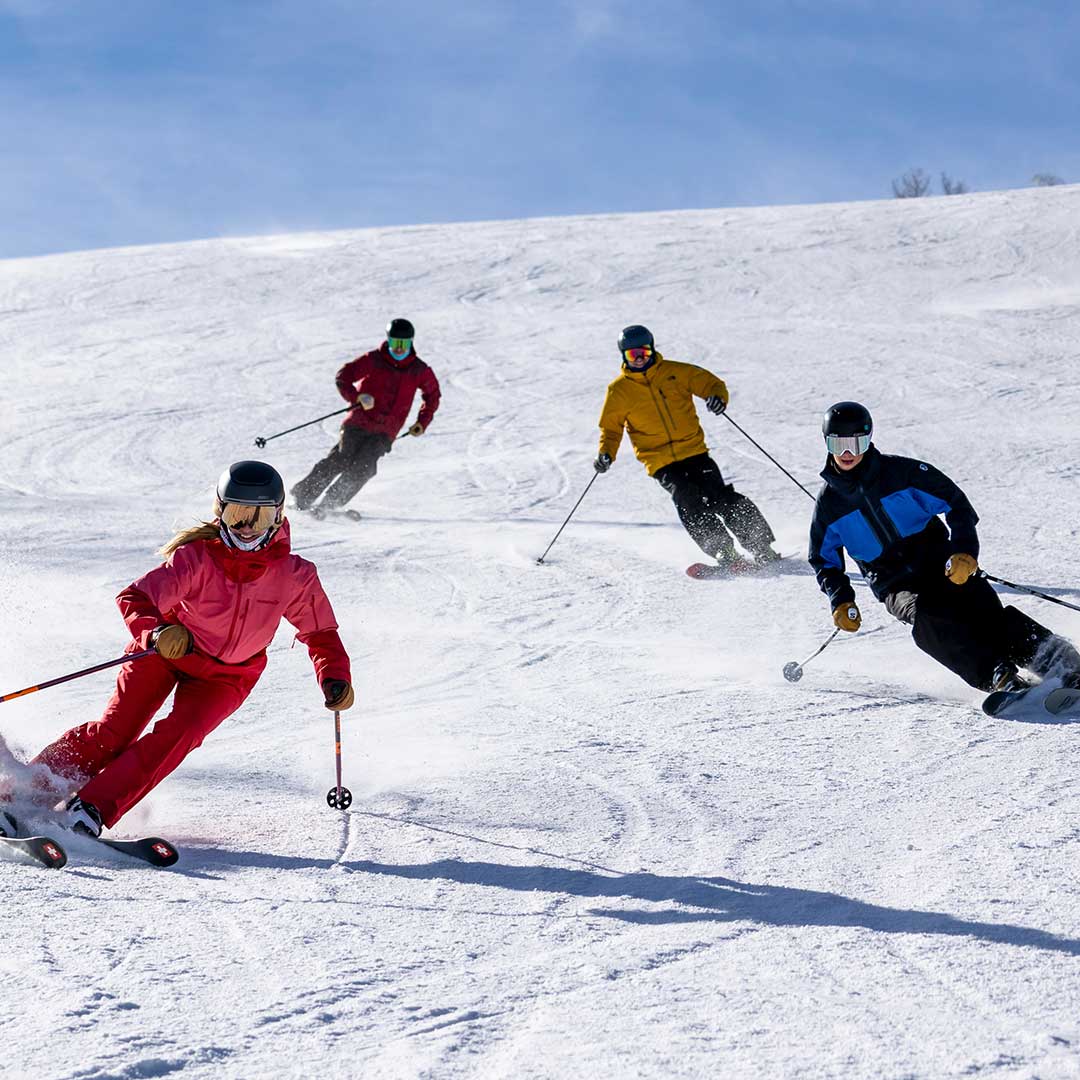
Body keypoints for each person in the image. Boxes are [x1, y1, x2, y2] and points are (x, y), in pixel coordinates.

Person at [31, 461, 354, 836]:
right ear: (220, 513)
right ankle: (26, 792)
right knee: (115, 733)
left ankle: (91, 808)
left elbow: (321, 634)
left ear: (278, 516)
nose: (248, 528)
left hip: (228, 677)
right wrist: (156, 633)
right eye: (237, 515)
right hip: (168, 652)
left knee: (177, 738)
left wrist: (335, 676)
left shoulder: (295, 575)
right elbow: (135, 597)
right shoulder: (196, 558)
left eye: (260, 516)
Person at [808, 401, 1080, 695]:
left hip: (940, 561)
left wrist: (964, 552)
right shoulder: (829, 505)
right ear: (827, 442)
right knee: (927, 619)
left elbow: (956, 504)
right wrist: (841, 600)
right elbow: (823, 560)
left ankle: (1059, 661)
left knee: (983, 611)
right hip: (894, 583)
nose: (847, 453)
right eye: (838, 443)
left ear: (869, 439)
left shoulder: (903, 473)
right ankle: (997, 676)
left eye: (856, 442)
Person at [594, 324, 779, 570]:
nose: (639, 360)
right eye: (632, 355)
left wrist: (716, 398)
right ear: (623, 357)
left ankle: (760, 545)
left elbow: (711, 383)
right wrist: (606, 453)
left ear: (652, 350)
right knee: (687, 499)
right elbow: (611, 428)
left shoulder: (675, 372)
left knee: (720, 495)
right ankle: (724, 551)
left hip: (694, 451)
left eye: (644, 353)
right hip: (660, 460)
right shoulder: (618, 391)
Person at [291, 318, 441, 512]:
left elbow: (433, 395)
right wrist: (356, 397)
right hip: (359, 422)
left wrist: (423, 421)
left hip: (386, 431)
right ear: (388, 341)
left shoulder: (419, 370)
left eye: (404, 344)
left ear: (411, 343)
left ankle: (329, 505)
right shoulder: (374, 360)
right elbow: (343, 376)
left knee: (365, 467)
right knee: (343, 458)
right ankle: (302, 496)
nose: (399, 349)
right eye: (395, 343)